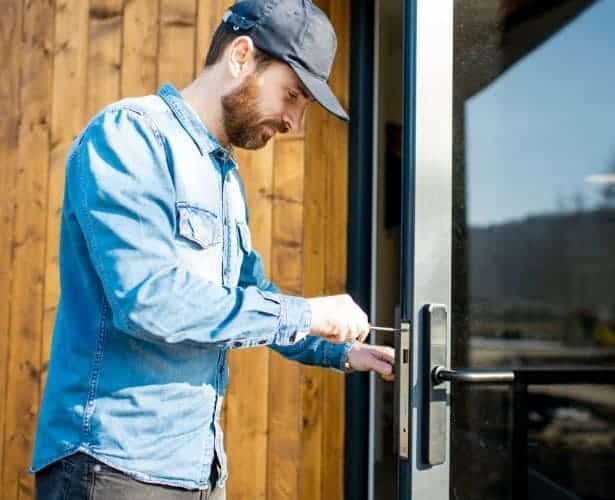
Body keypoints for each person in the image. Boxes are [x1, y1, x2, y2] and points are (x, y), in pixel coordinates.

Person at [30, 1, 394, 498]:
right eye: (291, 95)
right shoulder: (131, 135)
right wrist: (306, 313)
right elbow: (150, 300)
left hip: (199, 472)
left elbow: (249, 299)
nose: (293, 122)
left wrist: (344, 351)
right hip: (113, 469)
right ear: (241, 56)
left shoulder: (223, 177)